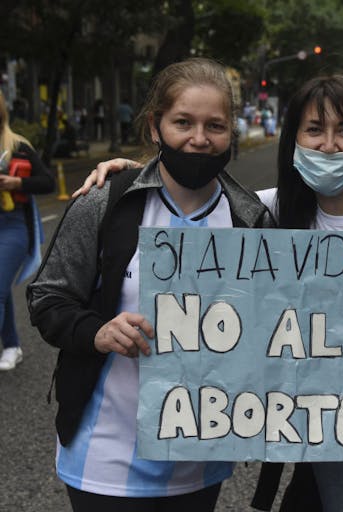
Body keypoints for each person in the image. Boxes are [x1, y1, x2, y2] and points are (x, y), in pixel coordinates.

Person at [76, 75, 343, 512]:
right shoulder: (269, 209)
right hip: (330, 419)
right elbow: (192, 196)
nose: (329, 145)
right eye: (314, 130)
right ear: (294, 140)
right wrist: (132, 174)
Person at [27, 57, 274, 511]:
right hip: (105, 454)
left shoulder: (251, 219)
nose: (199, 139)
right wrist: (97, 332)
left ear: (231, 133)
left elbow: (275, 323)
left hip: (199, 455)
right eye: (183, 122)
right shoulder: (106, 201)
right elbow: (48, 298)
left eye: (215, 126)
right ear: (155, 126)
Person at [0, 91, 54, 370]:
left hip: (13, 226)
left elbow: (48, 182)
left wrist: (16, 184)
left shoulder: (18, 146)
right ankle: (11, 345)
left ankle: (11, 347)